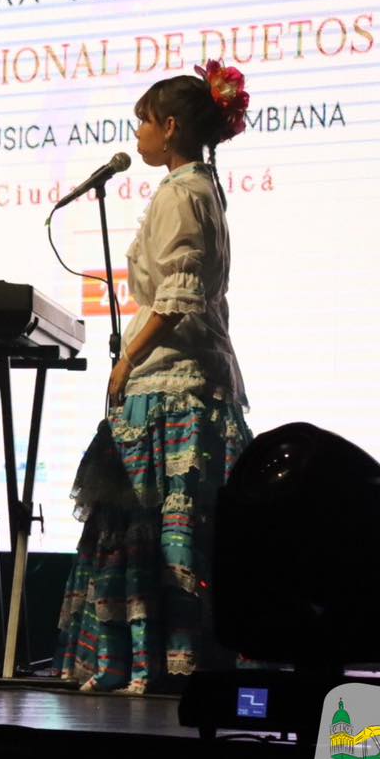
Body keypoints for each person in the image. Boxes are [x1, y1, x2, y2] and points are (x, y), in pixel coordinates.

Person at [54, 62, 253, 694]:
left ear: (169, 127)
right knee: (168, 527)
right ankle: (165, 658)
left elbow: (177, 297)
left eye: (142, 122)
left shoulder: (181, 193)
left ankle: (150, 660)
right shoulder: (201, 186)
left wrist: (127, 359)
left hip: (174, 384)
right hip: (191, 378)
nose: (136, 134)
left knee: (149, 528)